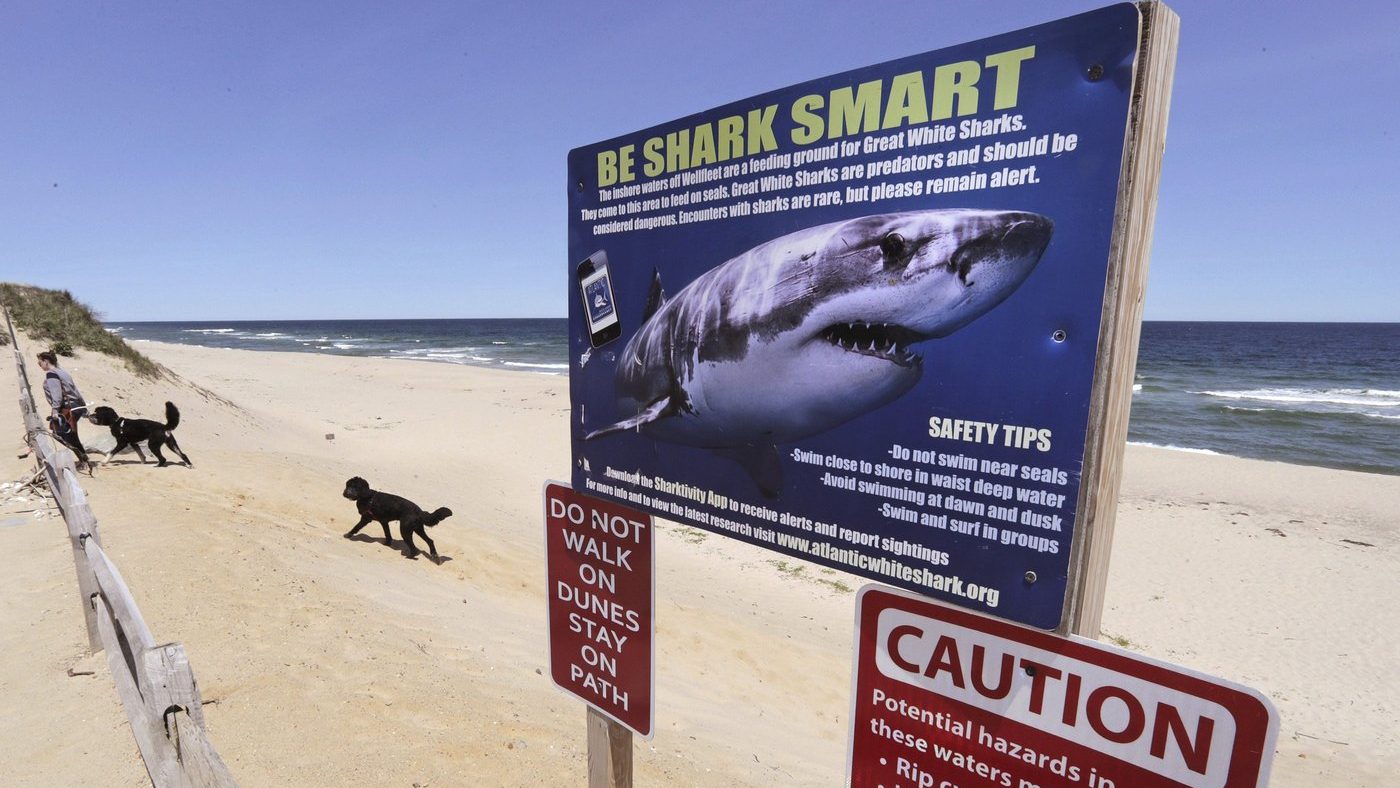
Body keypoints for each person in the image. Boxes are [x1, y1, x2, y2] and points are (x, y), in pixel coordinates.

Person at [36, 350, 92, 469]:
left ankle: (84, 460)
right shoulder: (62, 372)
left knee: (61, 434)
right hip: (75, 406)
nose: (39, 365)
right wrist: (83, 407)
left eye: (39, 362)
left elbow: (57, 395)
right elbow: (75, 390)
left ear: (46, 361)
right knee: (69, 434)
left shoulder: (51, 374)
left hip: (66, 408)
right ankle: (84, 459)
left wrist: (55, 410)